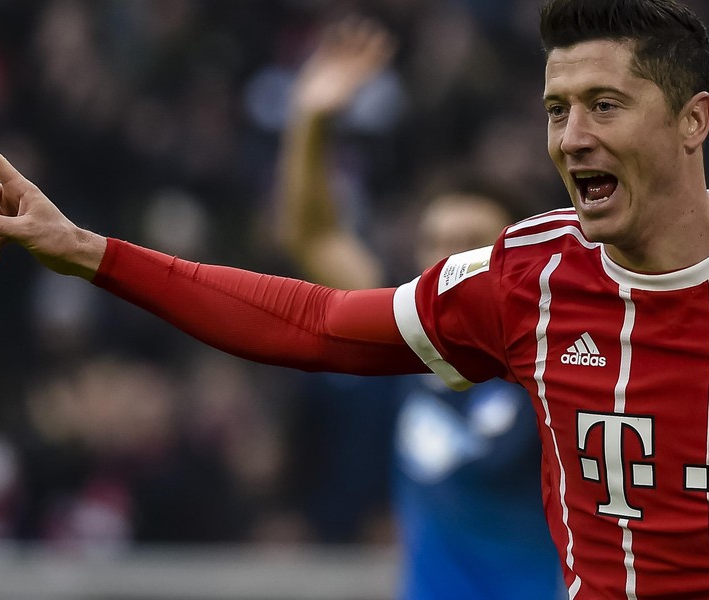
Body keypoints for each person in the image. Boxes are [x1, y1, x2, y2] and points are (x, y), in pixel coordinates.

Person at [0, 0, 709, 598]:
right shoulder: (524, 279)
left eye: (605, 106)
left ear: (693, 120)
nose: (571, 137)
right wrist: (92, 252)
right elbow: (313, 321)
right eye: (558, 109)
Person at [276, 19, 563, 600]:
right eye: (434, 242)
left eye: (469, 241)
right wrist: (311, 119)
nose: (447, 258)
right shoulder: (406, 337)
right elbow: (312, 235)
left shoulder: (558, 348)